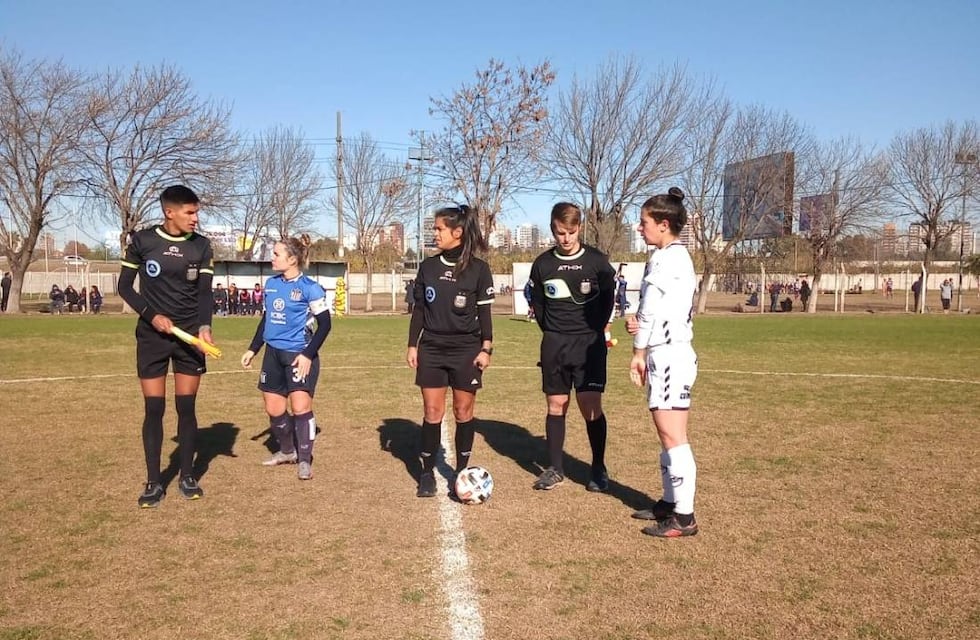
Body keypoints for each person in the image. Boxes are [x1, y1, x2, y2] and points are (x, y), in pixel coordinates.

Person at [118, 185, 216, 508]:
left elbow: (204, 294)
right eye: (190, 212)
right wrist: (151, 315)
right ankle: (153, 482)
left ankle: (187, 476)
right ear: (169, 212)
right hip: (152, 338)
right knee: (154, 409)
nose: (195, 218)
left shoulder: (202, 247)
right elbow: (124, 287)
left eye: (197, 212)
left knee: (186, 407)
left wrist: (204, 328)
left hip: (189, 338)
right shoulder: (143, 241)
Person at [626, 187, 700, 538]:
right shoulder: (672, 256)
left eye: (644, 223)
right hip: (669, 350)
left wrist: (638, 351)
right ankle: (670, 504)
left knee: (673, 435)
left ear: (663, 224)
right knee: (667, 433)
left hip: (668, 353)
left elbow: (651, 310)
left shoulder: (667, 258)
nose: (640, 228)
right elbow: (651, 312)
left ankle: (684, 517)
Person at [406, 205, 494, 498]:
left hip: (466, 350)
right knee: (432, 411)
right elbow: (419, 310)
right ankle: (427, 472)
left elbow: (485, 316)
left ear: (457, 232)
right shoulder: (428, 267)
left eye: (439, 228)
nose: (435, 233)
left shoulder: (479, 270)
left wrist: (486, 348)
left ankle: (462, 473)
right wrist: (412, 344)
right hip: (432, 347)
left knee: (463, 411)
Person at [527, 202, 616, 492]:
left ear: (580, 228)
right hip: (555, 343)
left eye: (570, 232)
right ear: (553, 228)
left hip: (589, 344)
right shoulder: (542, 264)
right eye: (559, 232)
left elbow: (607, 300)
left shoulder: (597, 261)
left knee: (590, 406)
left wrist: (592, 330)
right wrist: (553, 331)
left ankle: (599, 468)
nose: (565, 238)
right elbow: (538, 304)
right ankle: (554, 469)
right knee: (556, 405)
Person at [241, 235, 332, 480]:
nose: (272, 257)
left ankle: (305, 460)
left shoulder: (309, 288)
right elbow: (266, 320)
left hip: (298, 355)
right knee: (274, 409)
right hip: (272, 353)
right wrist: (253, 349)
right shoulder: (271, 284)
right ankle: (287, 451)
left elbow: (325, 325)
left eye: (277, 254)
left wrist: (307, 355)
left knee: (300, 408)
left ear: (292, 259)